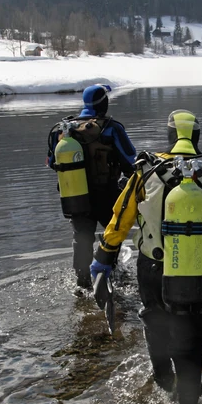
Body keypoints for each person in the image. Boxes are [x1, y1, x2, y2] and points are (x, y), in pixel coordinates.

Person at [89, 110, 202, 404]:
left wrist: (103, 258)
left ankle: (164, 385)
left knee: (156, 325)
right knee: (191, 340)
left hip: (152, 267)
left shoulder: (145, 172)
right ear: (197, 137)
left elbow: (120, 218)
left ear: (169, 136)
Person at [47, 84, 136, 289]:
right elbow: (131, 163)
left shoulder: (62, 130)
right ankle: (110, 275)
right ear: (102, 103)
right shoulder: (110, 128)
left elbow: (53, 163)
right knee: (113, 235)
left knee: (81, 238)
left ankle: (82, 283)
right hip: (107, 193)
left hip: (75, 195)